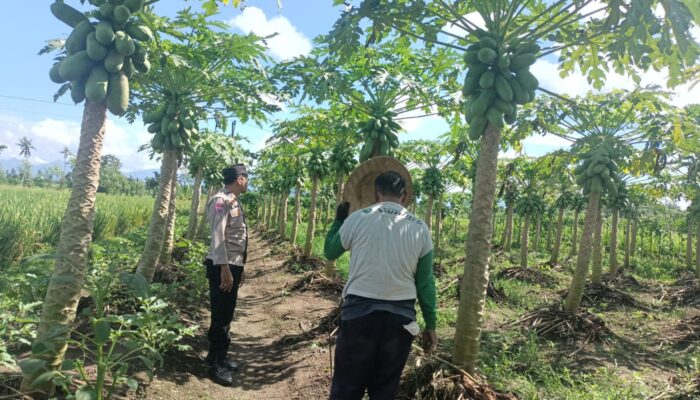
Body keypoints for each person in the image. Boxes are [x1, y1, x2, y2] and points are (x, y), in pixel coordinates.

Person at [324, 171, 437, 400]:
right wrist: (431, 325)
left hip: (359, 316)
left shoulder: (358, 218)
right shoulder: (420, 228)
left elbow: (330, 251)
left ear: (377, 193)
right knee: (384, 391)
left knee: (347, 388)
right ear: (404, 196)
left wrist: (339, 220)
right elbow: (425, 283)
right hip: (400, 321)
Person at [203, 163, 249, 386]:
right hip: (223, 264)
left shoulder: (232, 199)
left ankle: (218, 355)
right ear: (240, 179)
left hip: (232, 264)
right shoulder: (221, 201)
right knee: (221, 314)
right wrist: (225, 269)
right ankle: (215, 366)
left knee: (226, 313)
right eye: (246, 178)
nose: (248, 182)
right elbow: (218, 236)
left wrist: (240, 267)